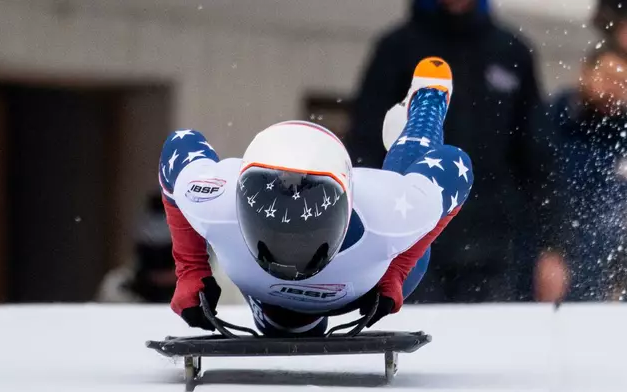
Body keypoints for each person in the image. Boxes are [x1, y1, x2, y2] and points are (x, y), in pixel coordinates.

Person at [159, 58, 473, 336]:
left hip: (342, 272)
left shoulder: (213, 201)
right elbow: (454, 168)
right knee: (414, 202)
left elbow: (181, 145)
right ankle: (423, 112)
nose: (291, 252)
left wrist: (192, 271)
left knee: (409, 198)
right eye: (277, 222)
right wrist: (397, 270)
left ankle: (426, 105)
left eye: (305, 226)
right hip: (359, 281)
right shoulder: (388, 218)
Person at [344, 0, 567, 303]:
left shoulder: (512, 51)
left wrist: (552, 247)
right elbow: (365, 145)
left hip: (495, 251)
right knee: (417, 344)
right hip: (411, 246)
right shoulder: (396, 49)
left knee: (488, 347)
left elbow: (538, 157)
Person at [550, 45, 627, 300]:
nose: (613, 89)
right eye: (607, 77)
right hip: (546, 261)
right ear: (585, 72)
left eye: (622, 83)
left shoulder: (621, 139)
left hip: (601, 274)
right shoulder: (551, 122)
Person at [96, 194, 177, 303]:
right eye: (150, 256)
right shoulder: (119, 288)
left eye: (168, 255)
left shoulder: (198, 289)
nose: (159, 266)